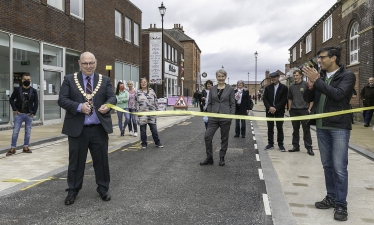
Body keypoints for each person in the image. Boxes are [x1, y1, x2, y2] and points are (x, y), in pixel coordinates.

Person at [303, 46, 355, 221]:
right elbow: (308, 100)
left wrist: (317, 81)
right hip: (321, 126)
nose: (319, 61)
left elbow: (338, 95)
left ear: (333, 58)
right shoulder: (321, 77)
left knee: (339, 167)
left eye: (322, 57)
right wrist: (310, 87)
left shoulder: (347, 76)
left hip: (339, 127)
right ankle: (331, 197)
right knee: (327, 165)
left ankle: (341, 204)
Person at [58, 52, 116, 205]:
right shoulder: (69, 80)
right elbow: (62, 100)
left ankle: (103, 188)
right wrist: (78, 107)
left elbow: (112, 97)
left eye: (91, 63)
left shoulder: (105, 80)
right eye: (85, 63)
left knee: (102, 160)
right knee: (76, 161)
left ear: (96, 63)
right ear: (79, 63)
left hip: (98, 128)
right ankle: (73, 190)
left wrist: (107, 105)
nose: (88, 66)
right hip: (78, 129)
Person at [200, 69, 235, 166]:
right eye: (219, 76)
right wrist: (210, 113)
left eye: (222, 76)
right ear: (216, 77)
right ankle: (209, 157)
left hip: (225, 118)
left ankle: (222, 157)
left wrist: (231, 116)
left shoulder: (230, 89)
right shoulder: (212, 89)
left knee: (224, 138)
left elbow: (233, 104)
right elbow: (210, 102)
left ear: (225, 77)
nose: (220, 78)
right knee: (207, 136)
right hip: (214, 118)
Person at [7, 73, 38, 156]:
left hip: (29, 115)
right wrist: (14, 109)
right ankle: (13, 148)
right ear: (22, 80)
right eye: (25, 79)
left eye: (28, 79)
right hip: (19, 114)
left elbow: (36, 102)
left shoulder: (33, 91)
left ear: (30, 80)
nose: (26, 81)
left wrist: (34, 112)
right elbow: (11, 99)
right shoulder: (17, 90)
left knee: (28, 131)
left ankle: (25, 147)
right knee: (15, 131)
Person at [287, 70, 314, 156]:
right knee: (295, 130)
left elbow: (311, 98)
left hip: (304, 110)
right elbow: (290, 98)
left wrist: (309, 108)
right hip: (294, 110)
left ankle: (309, 147)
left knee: (306, 130)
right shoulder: (291, 87)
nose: (295, 77)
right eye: (294, 75)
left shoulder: (306, 85)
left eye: (297, 75)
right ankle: (295, 146)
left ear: (301, 76)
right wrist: (289, 108)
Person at [263, 72, 288, 151]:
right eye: (272, 77)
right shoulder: (267, 88)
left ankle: (280, 145)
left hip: (279, 111)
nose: (273, 78)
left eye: (275, 77)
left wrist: (276, 108)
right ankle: (270, 144)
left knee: (279, 128)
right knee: (270, 128)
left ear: (278, 77)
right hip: (269, 111)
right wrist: (270, 107)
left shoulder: (284, 88)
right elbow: (265, 99)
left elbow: (284, 100)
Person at [135, 77, 163, 149]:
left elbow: (156, 100)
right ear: (140, 84)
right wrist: (136, 110)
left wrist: (157, 109)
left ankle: (157, 142)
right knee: (143, 131)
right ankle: (144, 143)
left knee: (154, 129)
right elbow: (134, 102)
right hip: (142, 114)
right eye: (142, 82)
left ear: (147, 83)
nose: (143, 83)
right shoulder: (138, 92)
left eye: (145, 82)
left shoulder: (152, 91)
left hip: (151, 113)